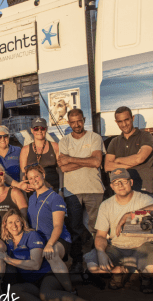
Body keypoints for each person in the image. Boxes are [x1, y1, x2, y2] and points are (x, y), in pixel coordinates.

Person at [0, 209, 112, 301]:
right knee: (14, 291)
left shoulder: (31, 235)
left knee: (46, 294)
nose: (14, 225)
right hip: (30, 281)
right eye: (10, 222)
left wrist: (9, 259)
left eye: (17, 221)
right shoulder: (8, 242)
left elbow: (36, 265)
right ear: (5, 225)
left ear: (22, 222)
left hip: (46, 274)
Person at [85, 168, 153, 293]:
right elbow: (100, 235)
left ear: (131, 182)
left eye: (124, 181)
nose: (120, 185)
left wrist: (131, 214)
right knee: (93, 267)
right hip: (116, 246)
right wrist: (101, 252)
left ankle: (144, 276)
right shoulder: (106, 205)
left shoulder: (142, 198)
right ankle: (119, 272)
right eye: (116, 183)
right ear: (111, 186)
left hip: (142, 245)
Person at [58, 109, 105, 274]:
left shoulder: (94, 137)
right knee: (75, 229)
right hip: (72, 191)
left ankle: (97, 259)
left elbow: (97, 162)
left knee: (96, 228)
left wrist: (71, 159)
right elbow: (62, 167)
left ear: (84, 120)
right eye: (72, 122)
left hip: (94, 189)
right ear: (68, 123)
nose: (76, 125)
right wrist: (87, 160)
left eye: (79, 121)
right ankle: (77, 262)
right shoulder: (64, 141)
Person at [25, 164, 73, 292]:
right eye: (30, 178)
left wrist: (50, 244)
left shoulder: (55, 198)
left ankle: (71, 290)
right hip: (40, 241)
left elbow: (58, 226)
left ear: (43, 175)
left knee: (52, 255)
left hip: (58, 239)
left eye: (36, 176)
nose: (34, 180)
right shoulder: (31, 198)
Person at [104, 106, 153, 195]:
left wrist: (118, 161)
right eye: (120, 121)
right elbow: (107, 166)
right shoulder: (114, 141)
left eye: (126, 120)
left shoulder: (145, 136)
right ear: (116, 122)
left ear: (133, 118)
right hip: (123, 193)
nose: (124, 124)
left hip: (144, 191)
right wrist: (131, 164)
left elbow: (139, 159)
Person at [19, 118, 61, 193]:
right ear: (32, 130)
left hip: (54, 188)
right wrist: (24, 191)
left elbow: (61, 170)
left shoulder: (55, 146)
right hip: (34, 190)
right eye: (36, 129)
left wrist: (61, 189)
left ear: (46, 129)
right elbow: (23, 172)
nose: (39, 131)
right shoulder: (25, 150)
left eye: (42, 128)